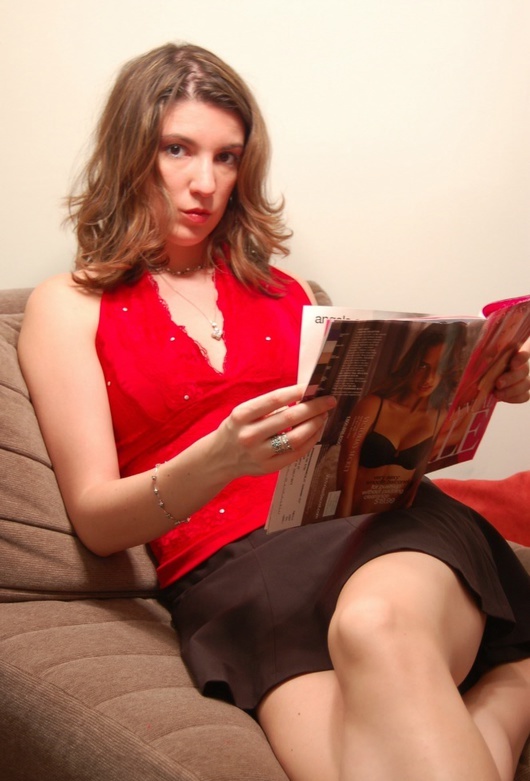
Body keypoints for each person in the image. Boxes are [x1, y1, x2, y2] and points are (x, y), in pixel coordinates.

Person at [17, 42, 530, 781]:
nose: (205, 183)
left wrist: (482, 384)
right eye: (177, 149)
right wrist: (220, 458)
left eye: (226, 157)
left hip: (370, 533)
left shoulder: (288, 293)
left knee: (375, 628)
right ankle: (509, 699)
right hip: (231, 580)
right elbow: (97, 519)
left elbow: (370, 433)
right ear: (131, 152)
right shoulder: (68, 306)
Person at [336, 321, 466, 516]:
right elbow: (346, 475)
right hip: (353, 515)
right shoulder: (373, 405)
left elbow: (415, 485)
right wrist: (344, 522)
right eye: (423, 366)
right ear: (411, 364)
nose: (428, 379)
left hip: (398, 521)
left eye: (438, 369)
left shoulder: (439, 417)